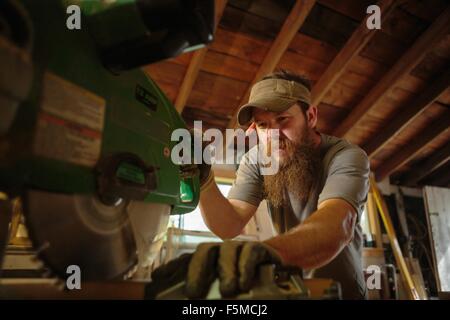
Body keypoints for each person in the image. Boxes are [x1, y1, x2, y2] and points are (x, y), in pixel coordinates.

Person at [150, 70, 370, 300]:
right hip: (291, 291)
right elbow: (229, 225)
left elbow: (338, 225)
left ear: (311, 116)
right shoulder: (256, 160)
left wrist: (268, 252)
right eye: (263, 125)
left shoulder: (346, 156)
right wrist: (204, 180)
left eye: (283, 119)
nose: (273, 134)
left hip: (344, 294)